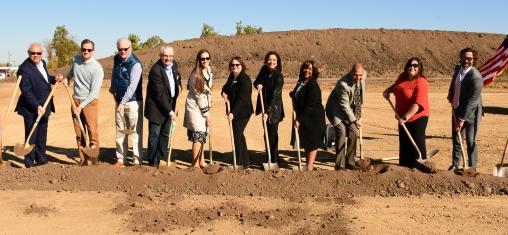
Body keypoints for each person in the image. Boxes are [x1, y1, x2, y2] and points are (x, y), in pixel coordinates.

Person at [15, 43, 63, 168]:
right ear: (28, 53)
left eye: (39, 53)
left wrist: (54, 79)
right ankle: (29, 163)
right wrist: (37, 105)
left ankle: (41, 159)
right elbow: (26, 91)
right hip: (31, 108)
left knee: (42, 134)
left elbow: (45, 78)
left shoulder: (43, 63)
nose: (36, 55)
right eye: (33, 53)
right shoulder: (24, 69)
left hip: (45, 105)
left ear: (42, 53)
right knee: (32, 135)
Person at [383, 57, 429, 170]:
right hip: (402, 117)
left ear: (420, 68)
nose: (412, 67)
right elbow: (397, 86)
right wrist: (388, 90)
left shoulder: (421, 82)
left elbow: (418, 104)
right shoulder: (402, 77)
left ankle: (421, 167)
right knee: (404, 144)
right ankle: (404, 168)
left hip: (417, 117)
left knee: (417, 142)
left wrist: (405, 118)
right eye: (410, 65)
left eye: (415, 65)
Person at [66, 39, 104, 165]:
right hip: (75, 100)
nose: (86, 52)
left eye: (89, 50)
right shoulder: (76, 60)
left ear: (93, 51)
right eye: (83, 49)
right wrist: (66, 79)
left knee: (92, 131)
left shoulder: (97, 68)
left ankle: (94, 159)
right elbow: (71, 73)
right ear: (81, 49)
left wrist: (81, 106)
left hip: (89, 102)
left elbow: (94, 92)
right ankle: (82, 158)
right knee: (79, 133)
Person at [446, 48, 483, 172]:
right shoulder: (458, 69)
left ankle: (472, 167)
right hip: (457, 107)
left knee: (470, 140)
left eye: (469, 58)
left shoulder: (476, 77)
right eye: (464, 57)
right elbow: (454, 82)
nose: (466, 60)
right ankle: (455, 165)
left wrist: (461, 120)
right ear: (460, 58)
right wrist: (450, 93)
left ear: (474, 60)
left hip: (472, 112)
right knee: (457, 138)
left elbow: (472, 102)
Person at [145, 45, 182, 167]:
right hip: (156, 107)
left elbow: (177, 77)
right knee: (154, 134)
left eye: (170, 56)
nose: (168, 58)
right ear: (160, 56)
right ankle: (153, 161)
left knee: (165, 133)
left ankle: (162, 159)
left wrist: (179, 86)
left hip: (170, 103)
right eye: (165, 56)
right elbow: (159, 95)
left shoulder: (174, 64)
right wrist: (170, 112)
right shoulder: (155, 70)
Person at [110, 38, 143, 167]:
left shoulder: (135, 64)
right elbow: (115, 73)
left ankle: (136, 161)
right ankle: (120, 159)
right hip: (119, 101)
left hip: (133, 102)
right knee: (120, 131)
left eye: (125, 49)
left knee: (134, 132)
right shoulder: (116, 59)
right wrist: (113, 86)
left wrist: (123, 103)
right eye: (120, 49)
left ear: (131, 48)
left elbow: (132, 86)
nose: (122, 51)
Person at [326, 64, 366, 170]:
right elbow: (345, 106)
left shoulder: (363, 76)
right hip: (335, 111)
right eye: (355, 75)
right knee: (342, 132)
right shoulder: (343, 84)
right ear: (351, 72)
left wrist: (358, 115)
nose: (358, 78)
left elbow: (358, 98)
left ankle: (350, 161)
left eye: (360, 75)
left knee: (354, 132)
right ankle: (340, 165)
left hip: (349, 110)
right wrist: (354, 119)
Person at [290, 60, 325, 171]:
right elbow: (299, 94)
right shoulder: (301, 81)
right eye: (305, 68)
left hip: (313, 117)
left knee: (312, 141)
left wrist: (299, 119)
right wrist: (293, 94)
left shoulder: (313, 85)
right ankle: (307, 165)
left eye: (310, 69)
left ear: (313, 71)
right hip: (305, 116)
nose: (307, 71)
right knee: (306, 140)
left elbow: (310, 105)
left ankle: (309, 166)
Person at [221, 56, 254, 169]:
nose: (235, 67)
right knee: (239, 135)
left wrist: (233, 113)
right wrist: (224, 93)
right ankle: (245, 162)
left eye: (237, 65)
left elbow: (242, 98)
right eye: (232, 65)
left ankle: (239, 162)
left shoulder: (245, 79)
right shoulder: (232, 76)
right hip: (234, 111)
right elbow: (225, 87)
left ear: (242, 66)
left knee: (236, 135)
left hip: (243, 112)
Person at [253, 51, 285, 166]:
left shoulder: (278, 76)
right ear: (266, 61)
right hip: (264, 108)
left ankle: (274, 161)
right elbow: (256, 82)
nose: (271, 62)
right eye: (270, 59)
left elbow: (274, 96)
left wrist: (267, 112)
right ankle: (270, 158)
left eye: (274, 60)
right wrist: (258, 85)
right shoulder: (264, 70)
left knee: (272, 135)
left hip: (274, 110)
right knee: (267, 134)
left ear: (277, 63)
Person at [183, 49, 213, 168]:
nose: (205, 60)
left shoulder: (208, 71)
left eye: (207, 58)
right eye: (202, 59)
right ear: (198, 60)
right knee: (198, 135)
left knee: (202, 135)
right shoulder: (196, 75)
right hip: (195, 108)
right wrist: (207, 115)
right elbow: (199, 96)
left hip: (203, 107)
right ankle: (194, 165)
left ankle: (201, 161)